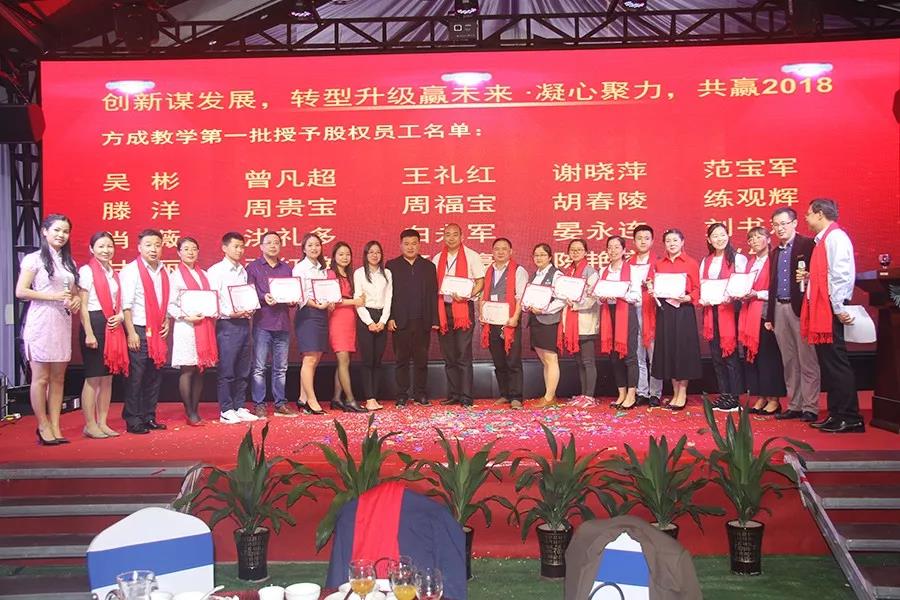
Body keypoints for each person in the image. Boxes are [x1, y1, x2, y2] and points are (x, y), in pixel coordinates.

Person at [15, 214, 81, 445]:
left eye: (65, 231)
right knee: (41, 378)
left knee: (58, 378)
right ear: (44, 231)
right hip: (41, 321)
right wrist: (53, 296)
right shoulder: (33, 259)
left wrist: (75, 301)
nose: (61, 235)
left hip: (62, 322)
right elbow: (21, 291)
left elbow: (74, 293)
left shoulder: (68, 262)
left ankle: (55, 424)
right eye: (57, 230)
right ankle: (42, 424)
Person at [801, 198, 864, 433]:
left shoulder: (836, 237)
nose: (806, 218)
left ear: (820, 214)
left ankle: (850, 416)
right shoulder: (823, 240)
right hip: (824, 306)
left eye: (808, 213)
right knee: (829, 364)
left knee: (836, 363)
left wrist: (838, 308)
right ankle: (836, 414)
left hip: (830, 307)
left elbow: (841, 275)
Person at [765, 207, 820, 423]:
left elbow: (819, 274)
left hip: (802, 308)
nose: (780, 228)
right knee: (789, 360)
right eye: (776, 225)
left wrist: (809, 276)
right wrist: (770, 316)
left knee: (807, 359)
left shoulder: (808, 245)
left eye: (784, 223)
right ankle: (794, 404)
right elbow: (772, 286)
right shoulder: (774, 252)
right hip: (780, 308)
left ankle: (810, 406)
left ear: (795, 223)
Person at [121, 229, 171, 434]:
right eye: (148, 245)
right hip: (139, 328)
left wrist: (167, 319)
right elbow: (126, 305)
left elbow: (165, 300)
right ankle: (133, 418)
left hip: (157, 330)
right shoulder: (131, 271)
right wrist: (131, 332)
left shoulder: (164, 270)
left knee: (154, 375)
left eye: (157, 245)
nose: (153, 249)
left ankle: (149, 416)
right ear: (139, 247)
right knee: (137, 376)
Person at [77, 231, 127, 438]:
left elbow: (119, 302)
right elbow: (83, 305)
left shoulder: (114, 273)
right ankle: (90, 424)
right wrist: (89, 333)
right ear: (92, 249)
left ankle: (103, 422)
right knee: (93, 377)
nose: (106, 250)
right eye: (101, 246)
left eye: (109, 246)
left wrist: (121, 316)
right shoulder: (86, 271)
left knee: (107, 379)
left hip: (112, 324)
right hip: (94, 323)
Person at [245, 231, 299, 418]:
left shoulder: (287, 269)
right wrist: (263, 297)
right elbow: (248, 293)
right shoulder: (253, 268)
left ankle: (280, 403)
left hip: (282, 324)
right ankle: (259, 404)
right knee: (259, 367)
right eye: (269, 243)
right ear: (261, 246)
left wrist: (292, 300)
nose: (273, 246)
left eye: (276, 242)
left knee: (280, 368)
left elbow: (292, 294)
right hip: (262, 323)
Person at [207, 232, 259, 425]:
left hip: (244, 323)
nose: (239, 250)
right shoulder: (216, 271)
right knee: (227, 369)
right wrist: (231, 312)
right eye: (236, 246)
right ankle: (226, 409)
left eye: (242, 247)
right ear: (224, 248)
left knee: (243, 368)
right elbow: (213, 301)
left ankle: (239, 406)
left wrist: (250, 308)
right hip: (227, 324)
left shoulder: (242, 271)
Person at [432, 223, 485, 407]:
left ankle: (466, 396)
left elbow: (480, 282)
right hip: (443, 309)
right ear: (443, 237)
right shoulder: (437, 258)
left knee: (463, 353)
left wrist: (468, 295)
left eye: (455, 234)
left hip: (463, 309)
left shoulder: (472, 256)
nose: (451, 238)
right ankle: (454, 394)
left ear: (462, 236)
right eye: (447, 234)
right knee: (449, 355)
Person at [648, 229, 702, 411]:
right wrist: (652, 290)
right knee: (669, 350)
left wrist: (688, 297)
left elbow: (697, 289)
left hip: (683, 310)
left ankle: (683, 392)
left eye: (675, 240)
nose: (671, 244)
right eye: (668, 241)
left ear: (682, 242)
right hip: (665, 311)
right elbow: (654, 285)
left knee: (682, 350)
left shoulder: (691, 263)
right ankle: (674, 391)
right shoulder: (659, 264)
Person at [168, 237, 218, 426]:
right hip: (186, 327)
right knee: (187, 369)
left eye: (194, 249)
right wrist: (186, 316)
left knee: (199, 370)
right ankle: (189, 411)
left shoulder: (205, 274)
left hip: (204, 326)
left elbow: (212, 299)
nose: (190, 252)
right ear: (178, 252)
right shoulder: (174, 276)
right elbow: (170, 305)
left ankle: (195, 409)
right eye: (186, 249)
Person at [386, 229, 439, 407]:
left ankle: (420, 394)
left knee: (421, 360)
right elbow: (388, 295)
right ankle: (402, 395)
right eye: (406, 244)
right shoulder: (391, 266)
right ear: (400, 245)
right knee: (401, 360)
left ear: (419, 245)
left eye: (414, 243)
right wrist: (390, 317)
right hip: (400, 321)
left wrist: (434, 320)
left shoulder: (428, 267)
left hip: (422, 320)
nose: (410, 247)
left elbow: (433, 294)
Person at [698, 223, 747, 412]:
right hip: (712, 311)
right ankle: (724, 394)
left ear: (728, 235)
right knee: (717, 355)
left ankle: (734, 396)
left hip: (730, 311)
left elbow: (742, 283)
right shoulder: (706, 261)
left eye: (722, 234)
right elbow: (702, 284)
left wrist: (732, 294)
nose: (719, 239)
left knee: (730, 354)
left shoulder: (738, 258)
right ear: (709, 240)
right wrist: (703, 297)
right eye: (715, 236)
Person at [740, 227, 786, 416]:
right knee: (754, 357)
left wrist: (756, 294)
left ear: (768, 239)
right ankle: (761, 396)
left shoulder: (775, 260)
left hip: (767, 314)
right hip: (749, 313)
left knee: (769, 357)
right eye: (751, 238)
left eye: (759, 237)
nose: (755, 241)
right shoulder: (751, 263)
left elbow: (777, 290)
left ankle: (774, 399)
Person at [479, 238, 529, 410]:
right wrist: (482, 314)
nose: (500, 252)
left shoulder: (518, 270)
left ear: (510, 252)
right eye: (497, 249)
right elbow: (483, 296)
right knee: (499, 361)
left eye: (504, 249)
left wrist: (515, 318)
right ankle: (505, 394)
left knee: (513, 360)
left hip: (509, 322)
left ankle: (516, 397)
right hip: (492, 322)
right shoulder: (488, 270)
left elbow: (521, 297)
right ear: (492, 252)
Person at [597, 237, 641, 410]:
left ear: (624, 250)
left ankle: (631, 394)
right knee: (614, 357)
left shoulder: (632, 270)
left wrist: (620, 294)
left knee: (629, 356)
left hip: (626, 313)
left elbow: (637, 296)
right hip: (609, 313)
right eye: (610, 247)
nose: (613, 250)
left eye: (617, 247)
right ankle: (621, 393)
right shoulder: (603, 271)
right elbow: (599, 298)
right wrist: (602, 297)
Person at [293, 232, 332, 415]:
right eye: (310, 245)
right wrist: (316, 304)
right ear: (303, 249)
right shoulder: (300, 268)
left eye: (317, 245)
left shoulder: (322, 268)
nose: (314, 248)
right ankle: (312, 400)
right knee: (309, 358)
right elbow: (299, 294)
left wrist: (329, 301)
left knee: (315, 358)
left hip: (321, 314)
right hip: (307, 314)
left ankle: (302, 398)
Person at [558, 238, 599, 404]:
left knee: (588, 361)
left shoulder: (591, 272)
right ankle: (583, 394)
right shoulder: (568, 272)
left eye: (579, 250)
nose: (575, 252)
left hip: (585, 321)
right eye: (572, 250)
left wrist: (576, 304)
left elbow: (593, 298)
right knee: (579, 362)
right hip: (571, 322)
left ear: (586, 252)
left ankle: (589, 396)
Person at [353, 240, 392, 411]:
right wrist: (369, 322)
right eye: (371, 252)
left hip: (382, 316)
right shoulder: (359, 273)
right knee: (368, 360)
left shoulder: (387, 273)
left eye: (377, 252)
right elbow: (358, 299)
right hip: (365, 317)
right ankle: (369, 398)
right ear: (366, 255)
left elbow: (389, 298)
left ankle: (375, 397)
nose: (375, 255)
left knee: (377, 360)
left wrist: (383, 321)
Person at [525, 243, 565, 408]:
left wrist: (545, 310)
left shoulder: (557, 275)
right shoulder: (535, 275)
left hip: (549, 321)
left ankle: (549, 397)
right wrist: (527, 305)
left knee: (551, 358)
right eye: (536, 255)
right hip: (536, 320)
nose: (539, 258)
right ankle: (549, 394)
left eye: (542, 255)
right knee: (544, 360)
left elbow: (562, 299)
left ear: (550, 257)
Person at [329, 242, 366, 413]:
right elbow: (334, 300)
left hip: (350, 319)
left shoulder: (350, 274)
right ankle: (350, 400)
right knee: (343, 360)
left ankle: (336, 398)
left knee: (344, 361)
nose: (345, 257)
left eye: (347, 254)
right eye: (341, 254)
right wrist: (355, 301)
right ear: (334, 257)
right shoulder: (331, 274)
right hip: (338, 320)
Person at [631, 225, 663, 408]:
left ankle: (655, 393)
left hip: (651, 311)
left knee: (653, 353)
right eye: (639, 238)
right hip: (632, 310)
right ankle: (641, 391)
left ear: (652, 241)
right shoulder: (628, 263)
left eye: (646, 238)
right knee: (637, 354)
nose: (642, 241)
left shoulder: (658, 263)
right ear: (634, 241)